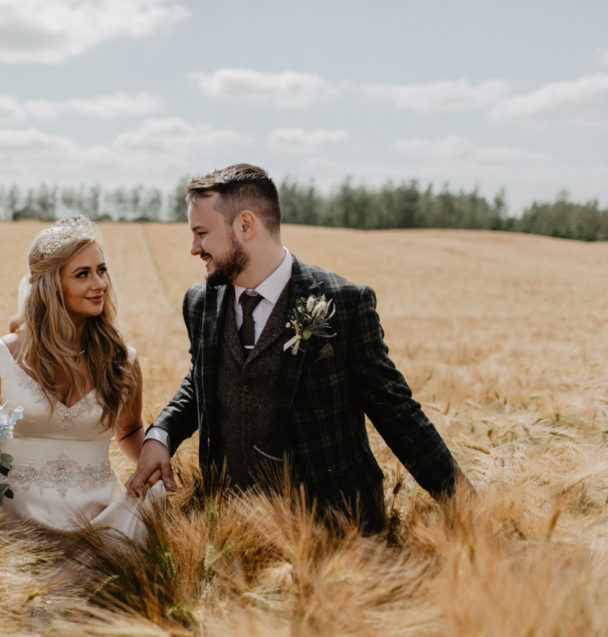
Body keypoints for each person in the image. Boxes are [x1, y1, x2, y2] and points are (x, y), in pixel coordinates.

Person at [126, 163, 470, 533]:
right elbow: (201, 381)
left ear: (246, 225)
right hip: (227, 523)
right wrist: (160, 435)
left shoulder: (343, 303)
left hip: (333, 526)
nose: (194, 248)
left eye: (201, 233)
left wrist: (467, 506)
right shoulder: (200, 301)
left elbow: (396, 412)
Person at [0, 217, 157, 541]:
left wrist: (157, 464)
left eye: (102, 270)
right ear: (51, 286)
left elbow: (128, 430)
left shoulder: (122, 361)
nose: (99, 284)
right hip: (11, 532)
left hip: (101, 529)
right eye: (82, 274)